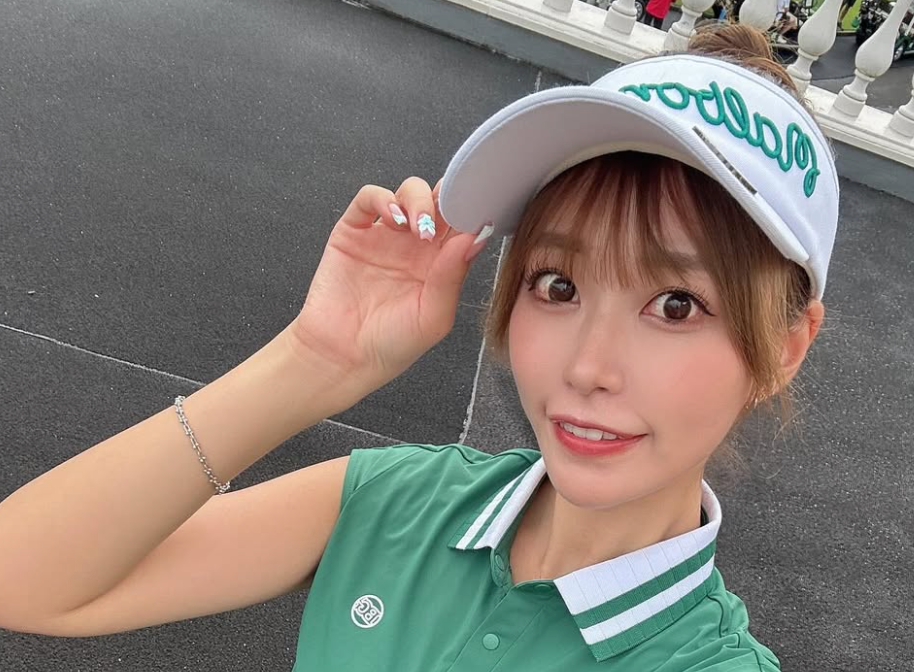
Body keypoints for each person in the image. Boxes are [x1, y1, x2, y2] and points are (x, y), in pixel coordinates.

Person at [0, 22, 838, 671]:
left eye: (676, 305)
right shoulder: (405, 502)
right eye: (558, 286)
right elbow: (25, 578)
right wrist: (313, 360)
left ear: (786, 347)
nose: (588, 368)